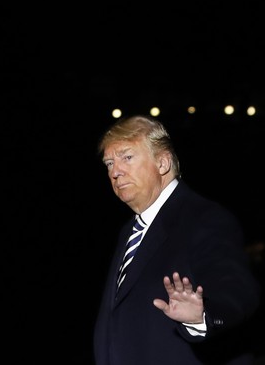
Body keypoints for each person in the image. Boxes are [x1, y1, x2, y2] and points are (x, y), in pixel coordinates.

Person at [93, 115, 261, 364]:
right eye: (109, 163)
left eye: (127, 157)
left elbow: (237, 289)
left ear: (162, 163)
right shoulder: (129, 230)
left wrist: (202, 315)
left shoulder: (204, 218)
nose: (115, 172)